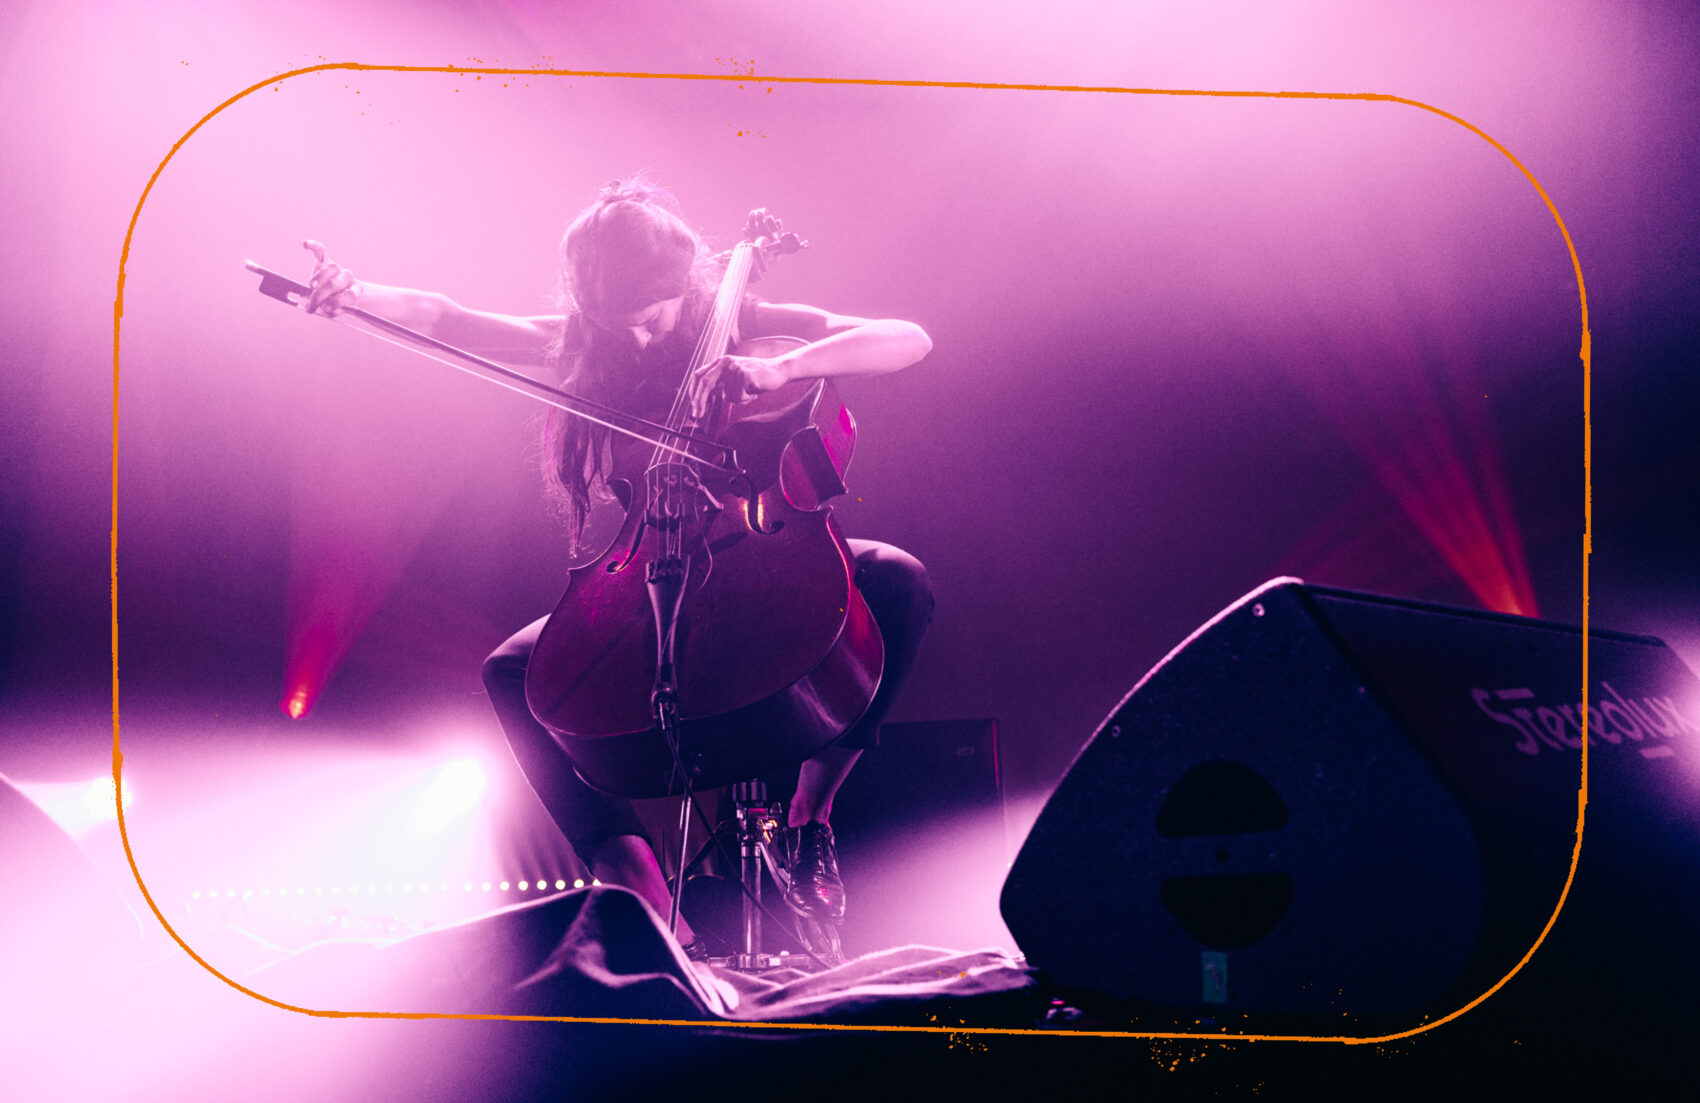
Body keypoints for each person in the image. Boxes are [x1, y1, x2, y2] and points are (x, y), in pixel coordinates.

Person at [302, 180, 934, 958]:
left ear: (686, 285)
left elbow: (906, 337)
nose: (634, 339)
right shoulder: (581, 344)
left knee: (898, 581)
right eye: (615, 323)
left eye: (652, 317)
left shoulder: (739, 319)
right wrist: (356, 292)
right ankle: (631, 870)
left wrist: (781, 369)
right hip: (653, 571)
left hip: (761, 557)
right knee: (516, 674)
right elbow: (450, 319)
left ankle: (812, 810)